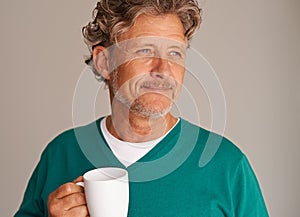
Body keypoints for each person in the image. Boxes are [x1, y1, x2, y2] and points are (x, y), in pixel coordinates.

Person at [15, 0, 269, 216]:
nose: (164, 70)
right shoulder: (61, 154)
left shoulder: (227, 165)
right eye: (145, 50)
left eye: (175, 53)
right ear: (104, 62)